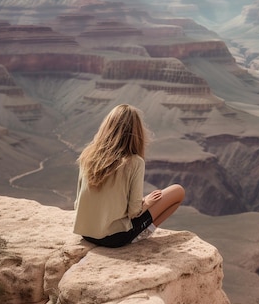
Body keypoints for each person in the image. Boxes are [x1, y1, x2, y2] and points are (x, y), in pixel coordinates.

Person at [73, 104, 185, 248]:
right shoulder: (134, 162)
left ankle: (139, 232)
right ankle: (141, 234)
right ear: (136, 131)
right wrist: (147, 202)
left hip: (86, 233)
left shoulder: (87, 155)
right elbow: (134, 212)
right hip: (114, 238)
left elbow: (78, 203)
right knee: (177, 191)